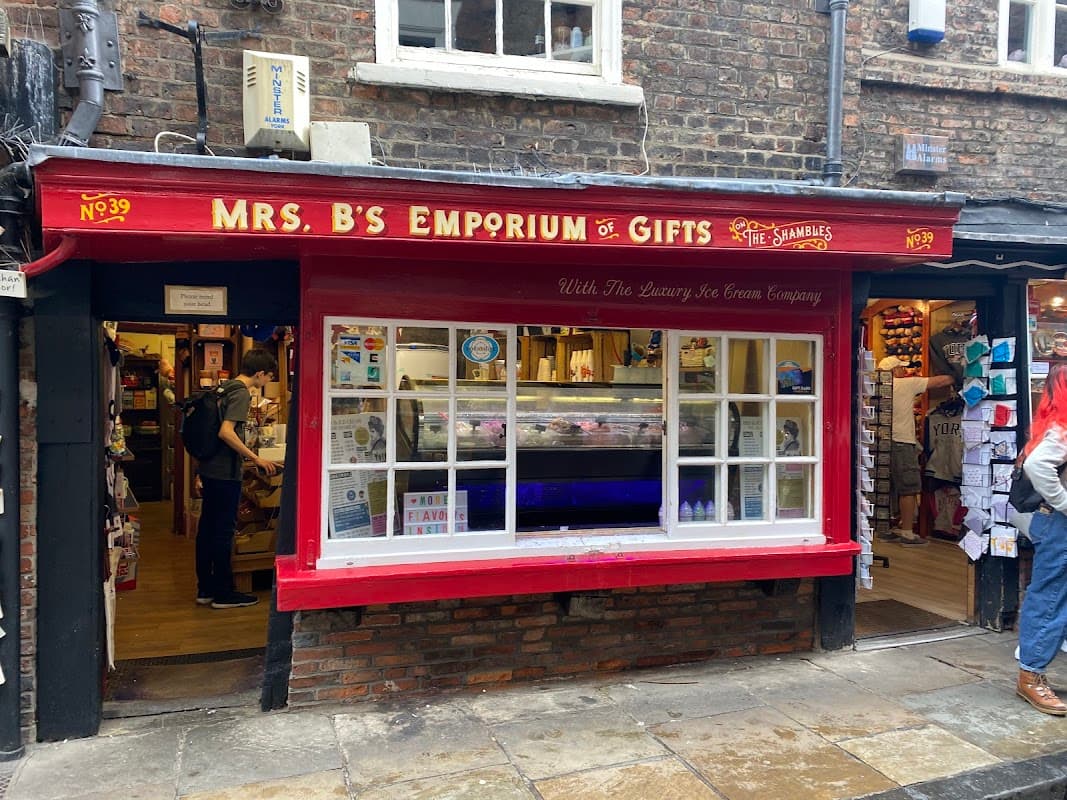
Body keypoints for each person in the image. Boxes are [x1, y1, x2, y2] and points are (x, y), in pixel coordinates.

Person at [195, 348, 280, 609]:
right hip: (224, 473)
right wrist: (255, 458)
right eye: (269, 377)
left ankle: (206, 589)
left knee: (207, 529)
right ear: (260, 373)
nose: (268, 381)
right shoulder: (241, 393)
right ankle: (224, 593)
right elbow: (226, 432)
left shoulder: (224, 388)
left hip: (210, 469)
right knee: (223, 531)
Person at [1017, 364, 1067, 715]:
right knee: (1050, 597)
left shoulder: (1053, 424)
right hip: (1059, 525)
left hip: (1056, 523)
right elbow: (1037, 467)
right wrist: (1065, 504)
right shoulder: (1061, 429)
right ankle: (1031, 674)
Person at [877, 356, 955, 545]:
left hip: (881, 442)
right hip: (902, 441)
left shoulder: (875, 389)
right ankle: (907, 532)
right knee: (909, 487)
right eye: (901, 368)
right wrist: (958, 372)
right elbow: (940, 381)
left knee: (886, 487)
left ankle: (884, 529)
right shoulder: (906, 384)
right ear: (894, 371)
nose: (905, 371)